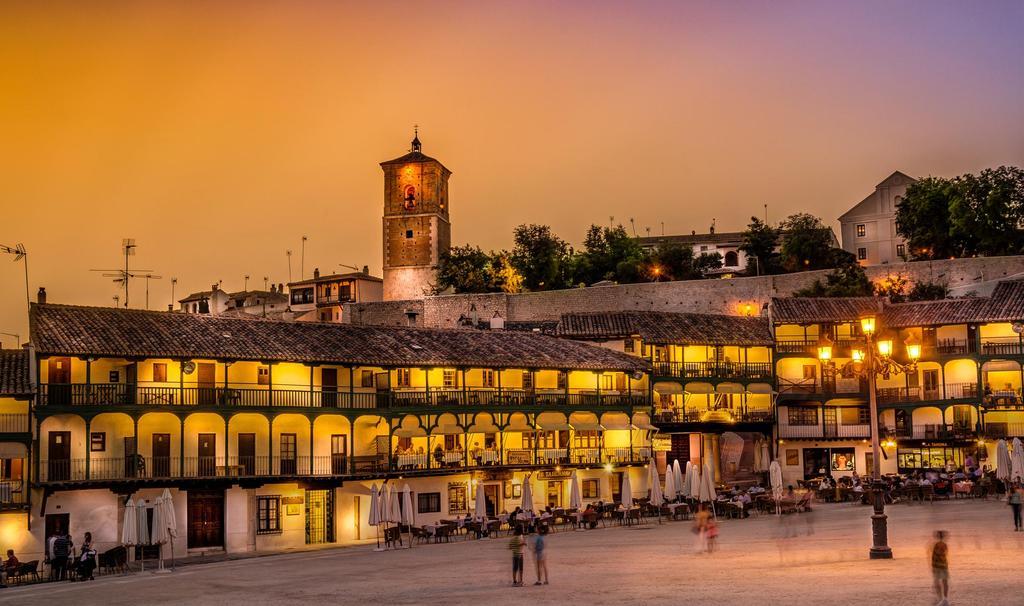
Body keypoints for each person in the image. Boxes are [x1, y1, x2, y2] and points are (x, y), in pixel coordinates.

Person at [930, 530, 950, 606]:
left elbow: (936, 555)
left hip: (937, 566)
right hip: (944, 565)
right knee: (944, 582)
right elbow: (945, 553)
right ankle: (945, 598)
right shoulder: (944, 545)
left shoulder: (937, 545)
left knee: (937, 582)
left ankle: (941, 598)